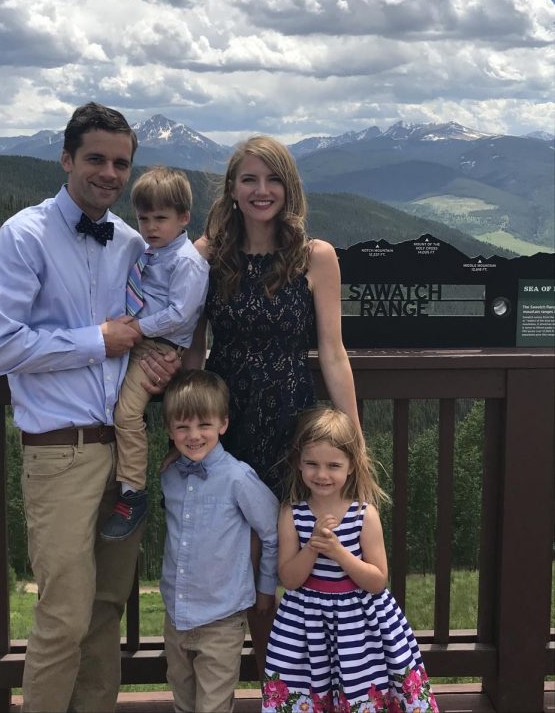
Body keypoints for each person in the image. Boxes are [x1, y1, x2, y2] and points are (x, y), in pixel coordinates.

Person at [0, 102, 180, 713]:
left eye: (121, 162)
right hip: (59, 452)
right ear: (67, 159)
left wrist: (160, 361)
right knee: (63, 613)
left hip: (126, 452)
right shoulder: (24, 235)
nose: (110, 173)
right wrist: (99, 340)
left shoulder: (134, 243)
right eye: (96, 158)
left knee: (106, 609)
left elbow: (155, 321)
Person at [183, 134, 360, 670]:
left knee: (290, 555)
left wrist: (353, 437)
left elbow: (332, 353)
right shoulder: (206, 254)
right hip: (224, 426)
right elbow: (191, 350)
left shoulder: (315, 257)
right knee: (238, 555)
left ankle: (289, 682)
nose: (262, 190)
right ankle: (257, 681)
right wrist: (184, 430)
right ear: (232, 190)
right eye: (250, 179)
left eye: (273, 178)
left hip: (292, 425)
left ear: (289, 187)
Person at [262, 406, 437, 713]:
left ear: (351, 465)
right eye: (312, 463)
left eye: (333, 465)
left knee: (360, 689)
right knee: (310, 689)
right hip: (306, 626)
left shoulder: (363, 514)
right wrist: (313, 547)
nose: (322, 474)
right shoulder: (292, 513)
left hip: (361, 626)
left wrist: (339, 552)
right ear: (299, 463)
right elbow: (289, 579)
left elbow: (376, 580)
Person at [160, 370, 279, 713]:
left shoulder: (238, 478)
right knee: (183, 703)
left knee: (212, 707)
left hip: (221, 619)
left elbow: (271, 532)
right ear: (170, 431)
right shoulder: (169, 475)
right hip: (176, 616)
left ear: (223, 424)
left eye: (204, 425)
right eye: (182, 427)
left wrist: (265, 588)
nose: (193, 435)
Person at [100, 166, 209, 540]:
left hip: (158, 346)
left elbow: (181, 314)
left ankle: (133, 491)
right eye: (144, 218)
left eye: (161, 218)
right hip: (140, 338)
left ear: (184, 218)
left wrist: (137, 328)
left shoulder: (187, 263)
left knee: (127, 412)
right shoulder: (153, 254)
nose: (150, 226)